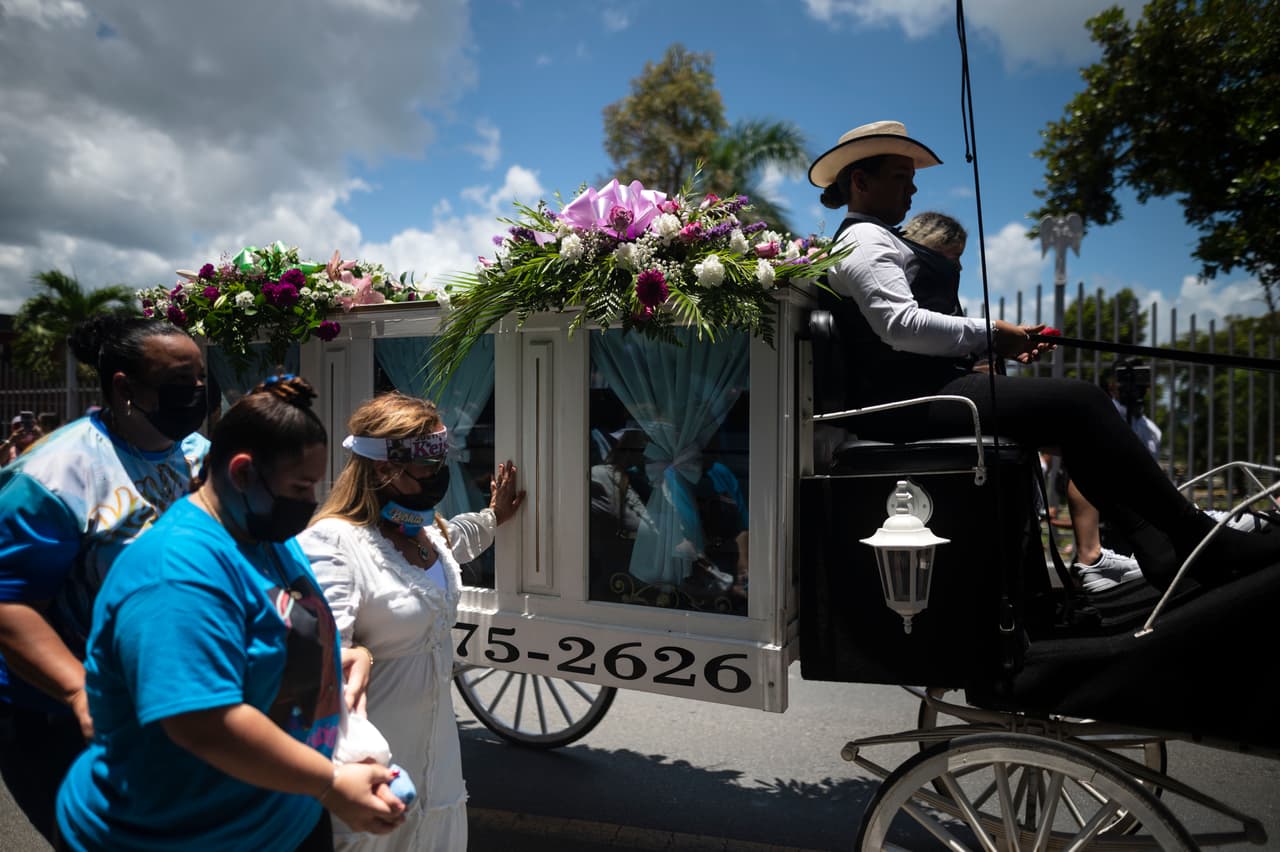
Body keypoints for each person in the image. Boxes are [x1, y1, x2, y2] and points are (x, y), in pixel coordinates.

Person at [810, 119, 1280, 588]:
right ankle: (1197, 537)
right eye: (900, 178)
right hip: (908, 403)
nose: (912, 190)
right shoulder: (864, 240)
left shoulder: (877, 236)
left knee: (1074, 420)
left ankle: (1157, 545)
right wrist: (995, 334)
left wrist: (1000, 341)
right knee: (1083, 401)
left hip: (926, 392)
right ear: (860, 181)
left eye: (913, 179)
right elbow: (900, 326)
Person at [55, 375, 405, 851]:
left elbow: (276, 627)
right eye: (301, 486)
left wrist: (339, 657)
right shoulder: (175, 574)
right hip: (177, 837)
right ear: (242, 473)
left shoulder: (262, 536)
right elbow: (202, 721)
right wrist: (329, 783)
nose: (310, 502)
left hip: (281, 819)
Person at [0, 316, 209, 843]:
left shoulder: (199, 455)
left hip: (171, 697)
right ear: (124, 387)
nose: (197, 391)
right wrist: (79, 692)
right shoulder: (53, 476)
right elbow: (10, 604)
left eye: (201, 378)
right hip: (60, 717)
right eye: (181, 381)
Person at [297, 392, 523, 852]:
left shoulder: (425, 534)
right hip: (372, 773)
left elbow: (456, 540)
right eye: (429, 465)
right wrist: (353, 767)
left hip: (438, 770)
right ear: (385, 468)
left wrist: (494, 515)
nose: (440, 474)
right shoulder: (334, 544)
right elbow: (326, 671)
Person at [903, 211, 1143, 592]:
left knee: (1087, 438)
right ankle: (1105, 552)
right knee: (1084, 408)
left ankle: (1093, 554)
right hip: (937, 404)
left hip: (954, 394)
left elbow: (960, 352)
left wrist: (1004, 350)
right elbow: (935, 355)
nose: (960, 267)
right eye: (954, 256)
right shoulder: (918, 289)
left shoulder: (938, 293)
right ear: (930, 247)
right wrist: (996, 342)